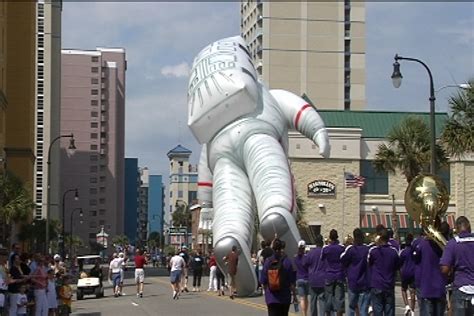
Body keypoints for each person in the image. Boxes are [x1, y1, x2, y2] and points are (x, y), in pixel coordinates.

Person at [440, 216, 474, 316]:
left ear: (457, 229)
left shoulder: (453, 244)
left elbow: (444, 270)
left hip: (461, 290)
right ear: (470, 227)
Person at [413, 232, 447, 316]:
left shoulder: (421, 243)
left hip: (427, 288)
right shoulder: (443, 243)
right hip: (438, 287)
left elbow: (415, 258)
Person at [367, 228, 400, 316]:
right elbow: (397, 265)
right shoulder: (394, 251)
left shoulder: (373, 251)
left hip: (377, 284)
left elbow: (369, 263)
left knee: (378, 311)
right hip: (389, 284)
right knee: (389, 311)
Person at [260, 238, 296, 316]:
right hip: (285, 297)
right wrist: (295, 295)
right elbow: (292, 282)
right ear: (282, 248)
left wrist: (267, 293)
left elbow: (263, 281)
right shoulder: (287, 262)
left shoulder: (268, 261)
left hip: (272, 298)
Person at [340, 228, 370, 316]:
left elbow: (343, 260)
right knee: (363, 308)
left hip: (352, 281)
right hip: (364, 281)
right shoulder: (366, 249)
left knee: (351, 307)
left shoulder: (351, 250)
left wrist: (347, 272)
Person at [321, 229, 345, 316]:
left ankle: (328, 314)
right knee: (339, 299)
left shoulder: (326, 249)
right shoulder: (342, 248)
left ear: (330, 238)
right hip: (339, 274)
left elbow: (322, 259)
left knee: (328, 298)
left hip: (329, 274)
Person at [306, 235, 326, 316]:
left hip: (313, 279)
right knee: (322, 301)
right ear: (322, 243)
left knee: (313, 301)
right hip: (322, 279)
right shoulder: (324, 252)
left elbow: (305, 263)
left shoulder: (311, 253)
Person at [399, 234, 416, 316]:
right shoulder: (414, 251)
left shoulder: (403, 252)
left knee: (403, 289)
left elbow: (400, 262)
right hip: (413, 272)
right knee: (412, 291)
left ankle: (406, 305)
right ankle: (412, 310)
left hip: (405, 272)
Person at [294, 240, 309, 316]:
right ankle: (306, 312)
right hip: (306, 278)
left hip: (299, 278)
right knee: (306, 298)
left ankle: (304, 314)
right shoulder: (306, 257)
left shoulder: (296, 258)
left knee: (302, 298)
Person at [0, 248, 10, 315]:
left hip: (5, 291)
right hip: (1, 291)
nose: (6, 257)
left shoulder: (4, 267)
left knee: (4, 311)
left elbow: (6, 279)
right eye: (5, 255)